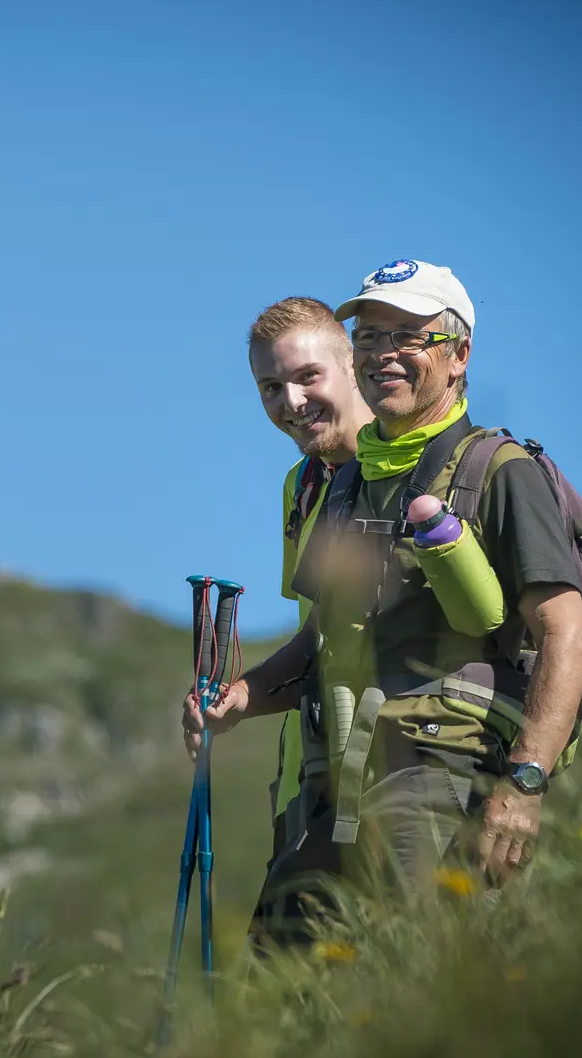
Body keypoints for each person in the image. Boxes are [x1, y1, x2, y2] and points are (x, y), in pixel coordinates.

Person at [184, 259, 582, 951]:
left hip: (440, 778)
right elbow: (324, 640)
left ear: (459, 354)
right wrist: (244, 698)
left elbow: (567, 638)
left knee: (410, 983)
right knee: (286, 1003)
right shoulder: (343, 487)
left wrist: (524, 785)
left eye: (410, 336)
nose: (385, 354)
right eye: (371, 337)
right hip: (332, 794)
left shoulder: (500, 472)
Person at [242, 297, 374, 886]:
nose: (290, 403)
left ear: (352, 365)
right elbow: (316, 638)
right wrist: (242, 697)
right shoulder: (302, 484)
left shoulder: (416, 468)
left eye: (306, 377)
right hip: (307, 785)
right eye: (270, 387)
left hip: (398, 780)